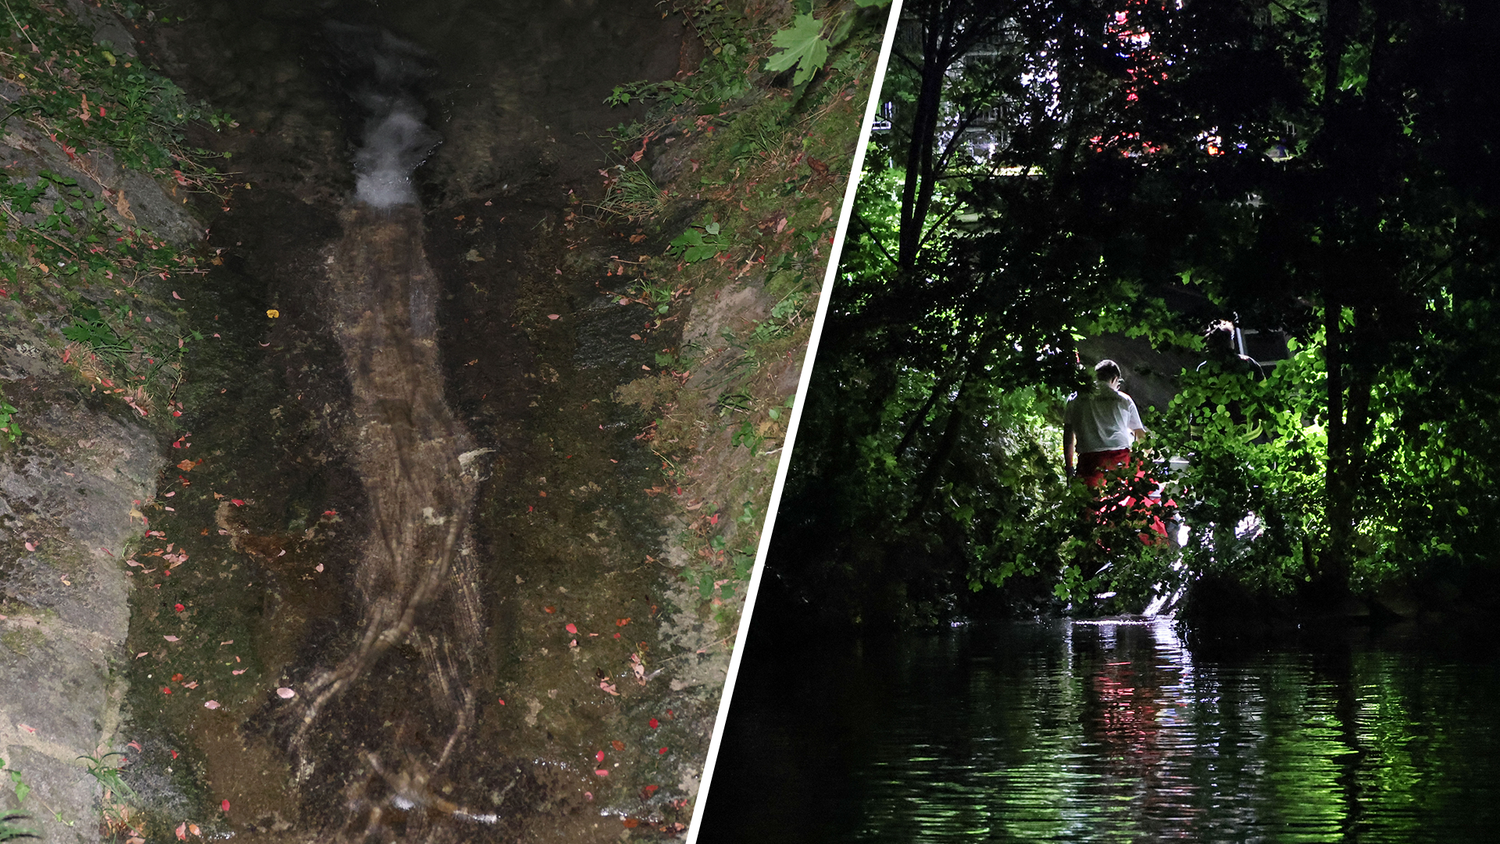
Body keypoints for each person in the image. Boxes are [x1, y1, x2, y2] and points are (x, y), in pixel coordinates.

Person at [1063, 359, 1147, 488]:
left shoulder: (1075, 399)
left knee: (1090, 504)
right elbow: (1140, 435)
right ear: (1114, 379)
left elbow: (1068, 437)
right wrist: (1149, 460)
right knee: (1132, 497)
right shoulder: (1123, 399)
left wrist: (1069, 468)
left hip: (1090, 460)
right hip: (1120, 458)